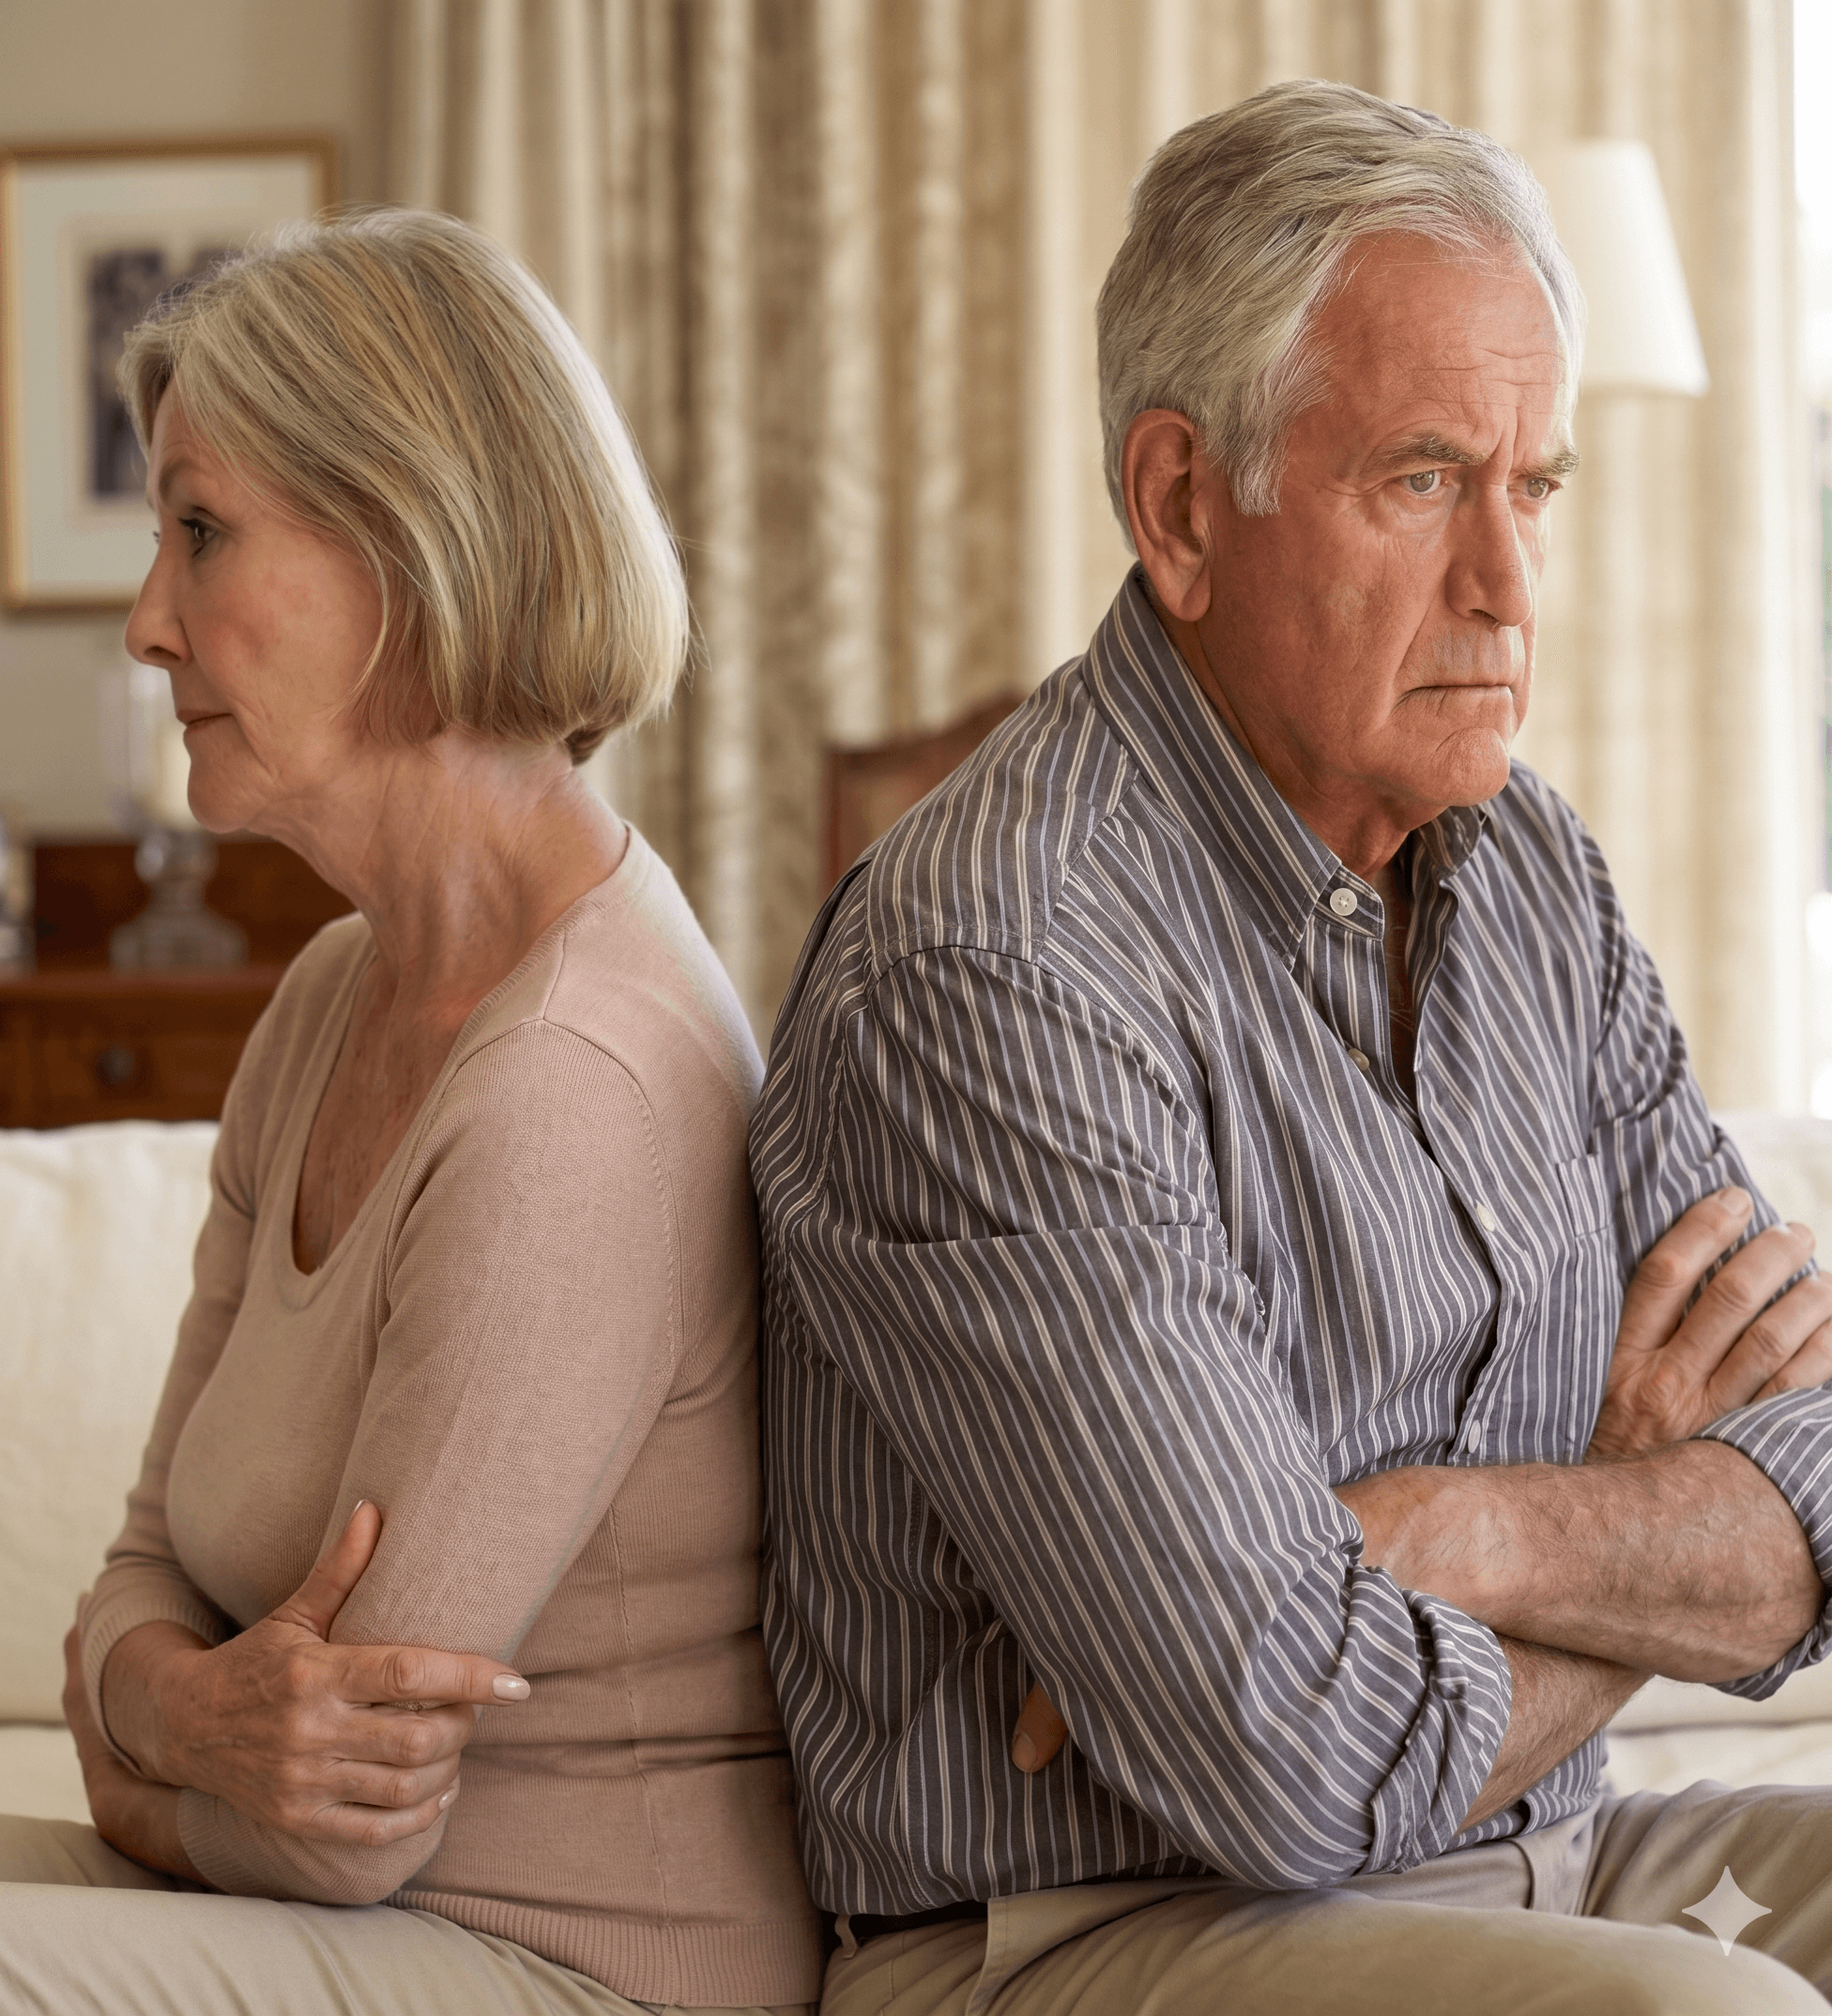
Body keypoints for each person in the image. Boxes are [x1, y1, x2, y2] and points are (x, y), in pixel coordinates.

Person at [751, 80, 1832, 2015]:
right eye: (1422, 480)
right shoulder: (992, 970)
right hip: (1097, 1933)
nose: (1507, 584)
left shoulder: (1532, 876)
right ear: (1183, 506)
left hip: (1534, 1852)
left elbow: (1819, 1474)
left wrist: (1452, 1528)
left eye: (1536, 487)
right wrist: (1639, 1522)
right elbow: (1283, 1748)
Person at [0, 209, 822, 2015]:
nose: (148, 621)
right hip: (346, 1931)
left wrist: (140, 1736)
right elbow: (136, 1577)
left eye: (202, 532)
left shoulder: (573, 1087)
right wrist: (179, 1708)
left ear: (413, 549)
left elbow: (337, 1831)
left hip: (572, 1968)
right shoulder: (326, 1003)